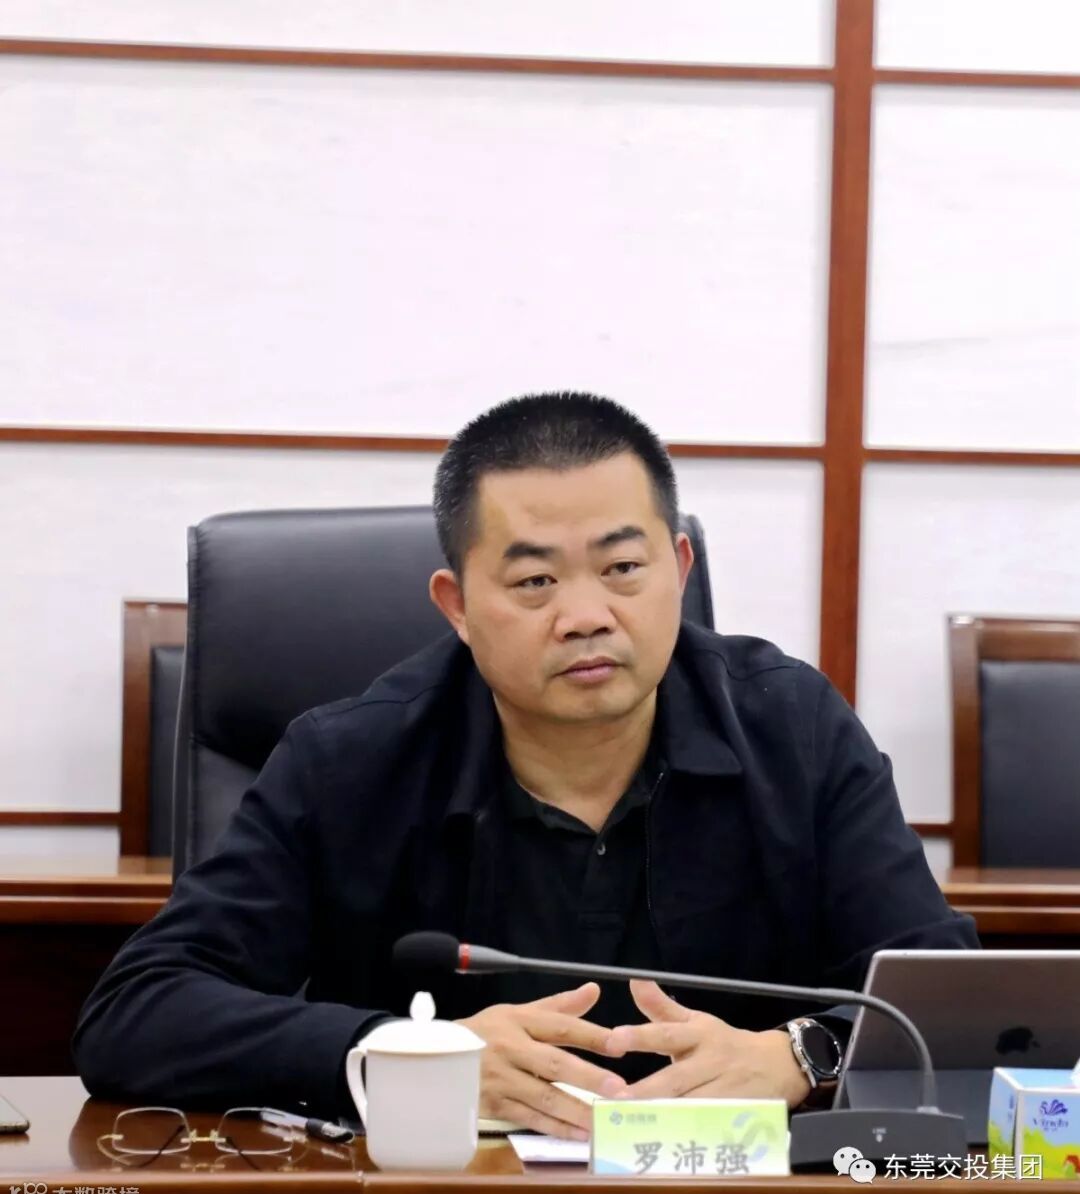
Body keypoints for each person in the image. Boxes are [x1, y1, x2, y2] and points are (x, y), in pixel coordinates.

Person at [74, 392, 978, 1140]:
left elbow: (950, 998)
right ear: (458, 606)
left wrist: (803, 1054)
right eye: (535, 581)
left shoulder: (793, 729)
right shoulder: (348, 761)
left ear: (679, 567)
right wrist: (403, 1056)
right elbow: (137, 1012)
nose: (586, 615)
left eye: (623, 567)